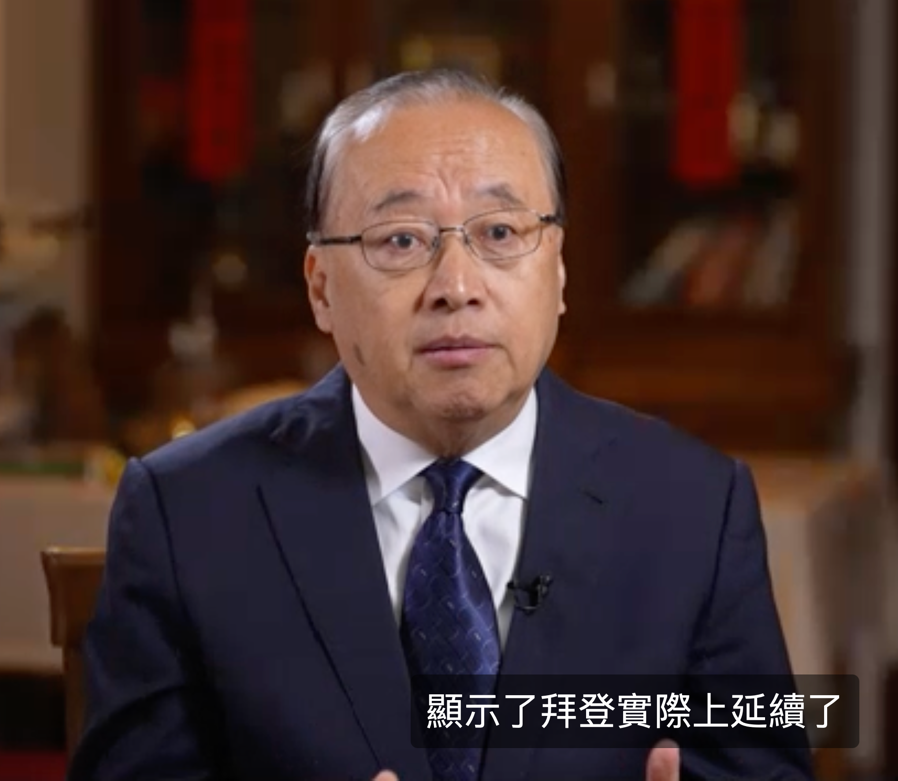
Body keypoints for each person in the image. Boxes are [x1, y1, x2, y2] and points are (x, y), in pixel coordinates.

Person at [72, 69, 812, 781]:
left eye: (500, 232)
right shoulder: (188, 510)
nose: (456, 287)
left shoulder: (694, 507)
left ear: (557, 271)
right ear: (321, 288)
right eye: (400, 240)